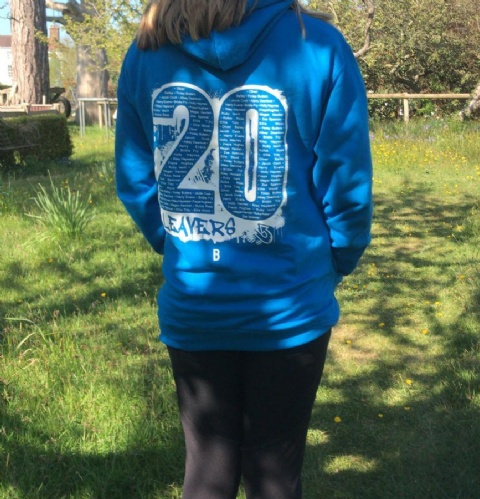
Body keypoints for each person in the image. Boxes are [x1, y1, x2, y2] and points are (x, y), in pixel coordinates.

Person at [115, 1, 373, 497]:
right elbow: (348, 186)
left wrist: (179, 242)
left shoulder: (146, 51)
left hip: (195, 306)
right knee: (275, 475)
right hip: (291, 304)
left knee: (206, 472)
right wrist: (336, 261)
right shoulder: (319, 46)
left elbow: (135, 178)